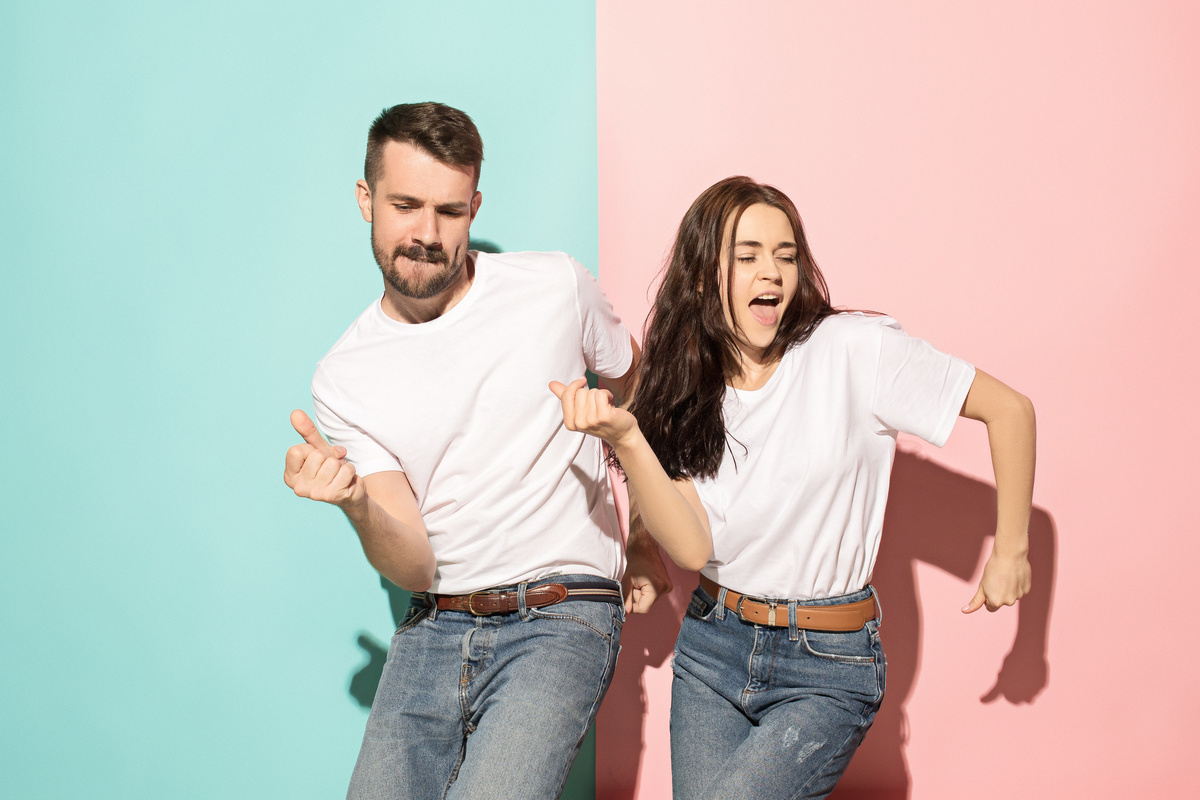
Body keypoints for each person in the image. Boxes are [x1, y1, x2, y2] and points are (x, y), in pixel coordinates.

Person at [551, 176, 1035, 799]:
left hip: (827, 666)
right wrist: (627, 438)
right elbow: (694, 550)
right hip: (712, 649)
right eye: (747, 256)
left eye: (785, 256)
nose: (772, 274)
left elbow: (1012, 410)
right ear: (703, 277)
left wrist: (1011, 551)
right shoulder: (691, 389)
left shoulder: (853, 351)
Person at [283, 102, 668, 800]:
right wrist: (354, 502)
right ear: (365, 199)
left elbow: (632, 389)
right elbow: (415, 562)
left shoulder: (553, 286)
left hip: (562, 613)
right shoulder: (344, 374)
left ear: (475, 206)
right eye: (405, 205)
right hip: (434, 624)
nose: (427, 234)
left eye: (450, 211)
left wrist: (641, 530)